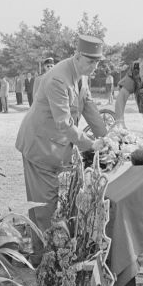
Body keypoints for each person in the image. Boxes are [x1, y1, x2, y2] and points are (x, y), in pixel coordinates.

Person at [15, 35, 108, 266]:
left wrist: (106, 136)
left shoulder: (80, 76)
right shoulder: (59, 78)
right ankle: (48, 261)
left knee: (47, 203)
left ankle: (41, 254)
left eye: (98, 62)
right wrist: (90, 144)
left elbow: (89, 107)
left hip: (56, 147)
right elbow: (64, 123)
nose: (94, 67)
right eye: (90, 61)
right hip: (40, 146)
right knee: (45, 205)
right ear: (77, 57)